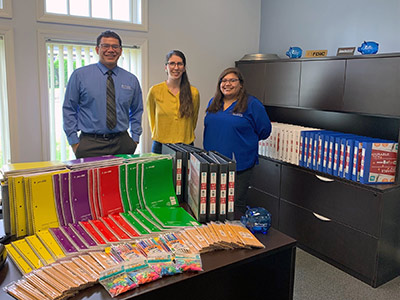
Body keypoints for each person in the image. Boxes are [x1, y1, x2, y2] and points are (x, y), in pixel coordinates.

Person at [63, 30, 143, 158]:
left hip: (122, 143)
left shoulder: (131, 80)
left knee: (124, 179)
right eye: (105, 46)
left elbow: (137, 110)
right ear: (97, 49)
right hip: (90, 144)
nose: (110, 50)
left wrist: (135, 139)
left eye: (115, 47)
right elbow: (69, 109)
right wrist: (74, 142)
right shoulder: (80, 76)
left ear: (120, 51)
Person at [203, 67, 271, 214]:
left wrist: (243, 141)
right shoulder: (213, 102)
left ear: (241, 84)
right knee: (212, 205)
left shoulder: (252, 104)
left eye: (232, 80)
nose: (227, 84)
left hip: (239, 165)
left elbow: (265, 130)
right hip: (213, 165)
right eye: (224, 80)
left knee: (233, 207)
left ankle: (235, 236)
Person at [146, 50, 200, 154]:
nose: (176, 67)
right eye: (172, 63)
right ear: (166, 67)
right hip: (160, 146)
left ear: (184, 68)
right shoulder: (155, 91)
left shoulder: (193, 93)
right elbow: (151, 119)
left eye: (179, 64)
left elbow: (193, 121)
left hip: (186, 147)